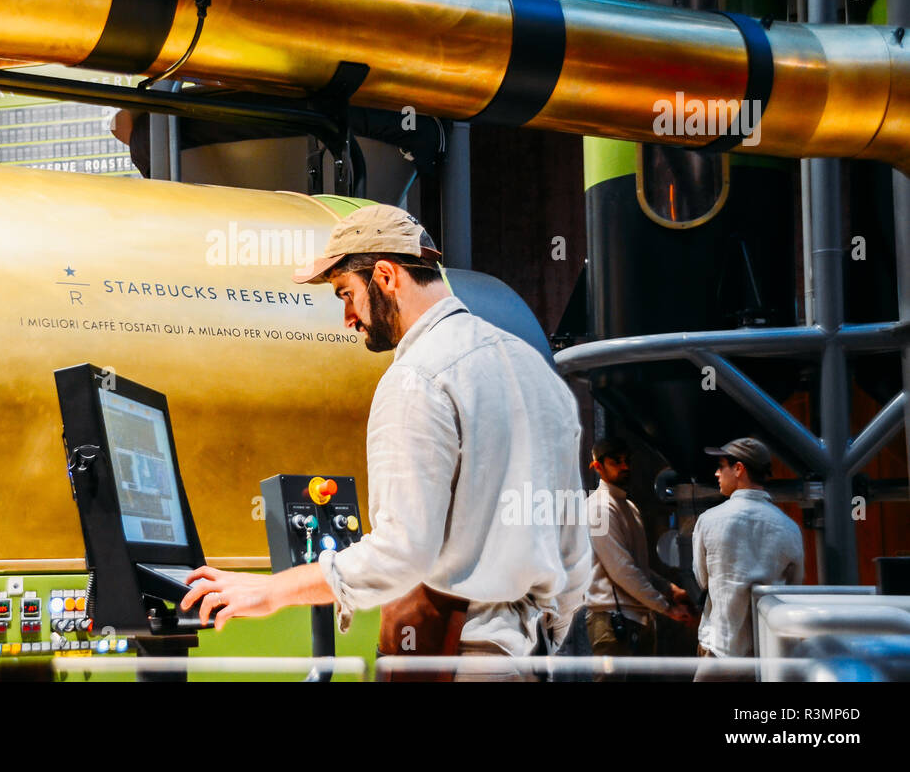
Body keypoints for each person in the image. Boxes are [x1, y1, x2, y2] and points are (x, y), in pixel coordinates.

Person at [180, 204, 590, 678]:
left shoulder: (417, 377)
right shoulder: (535, 372)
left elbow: (402, 551)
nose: (348, 319)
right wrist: (541, 635)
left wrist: (272, 592)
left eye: (346, 294)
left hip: (458, 659)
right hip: (532, 657)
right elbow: (572, 550)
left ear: (386, 276)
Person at [693, 436, 804, 671]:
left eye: (721, 466)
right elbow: (793, 586)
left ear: (739, 469)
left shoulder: (708, 520)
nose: (716, 474)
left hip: (719, 646)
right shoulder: (789, 527)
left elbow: (703, 580)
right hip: (769, 652)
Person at [585, 438, 696, 668]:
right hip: (611, 621)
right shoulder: (599, 508)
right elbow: (621, 570)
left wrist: (670, 590)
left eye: (627, 461)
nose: (625, 466)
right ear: (597, 467)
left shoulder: (628, 506)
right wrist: (667, 607)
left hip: (638, 617)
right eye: (616, 462)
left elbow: (637, 567)